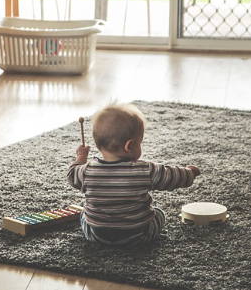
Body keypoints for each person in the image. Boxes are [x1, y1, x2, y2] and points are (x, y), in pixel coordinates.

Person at [67, 102, 201, 246]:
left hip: (97, 235)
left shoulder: (86, 171)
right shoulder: (146, 170)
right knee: (159, 213)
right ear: (129, 146)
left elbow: (71, 174)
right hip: (138, 235)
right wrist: (190, 173)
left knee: (84, 213)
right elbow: (172, 176)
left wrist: (81, 157)